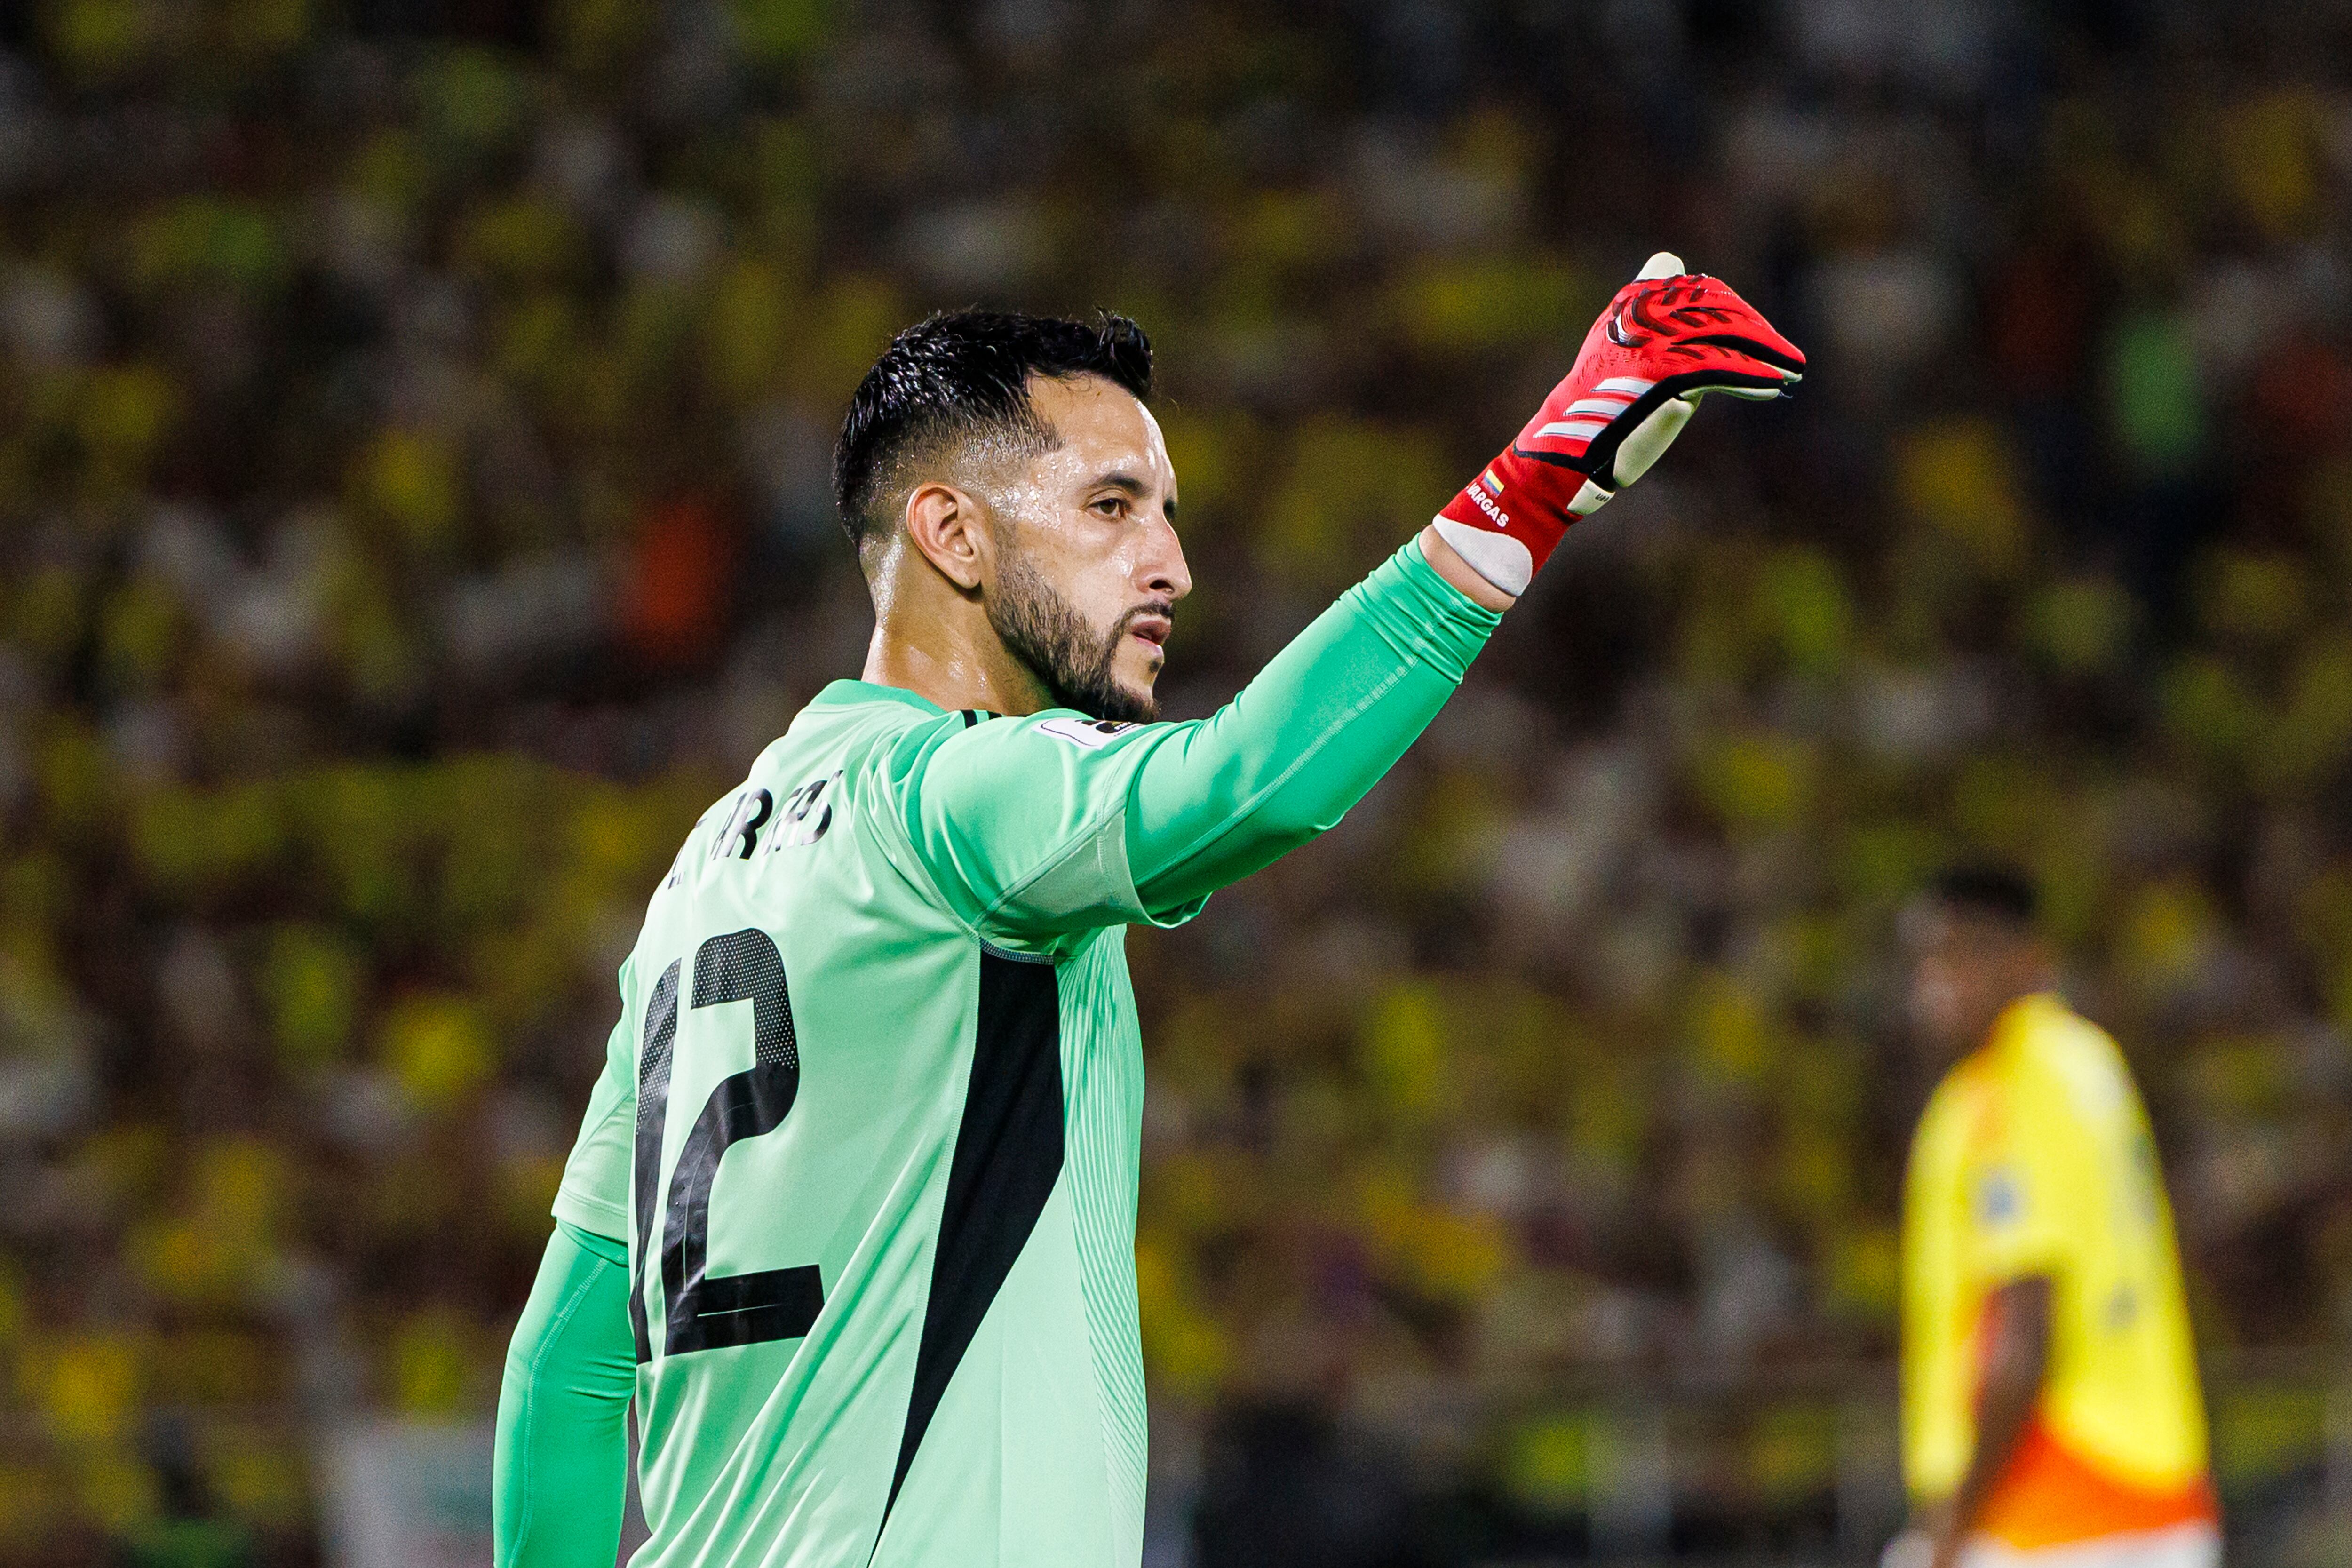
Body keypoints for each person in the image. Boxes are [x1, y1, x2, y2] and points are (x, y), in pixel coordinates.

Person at [490, 257, 1803, 1568]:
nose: (1170, 562)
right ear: (953, 534)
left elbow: (565, 1360)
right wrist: (1545, 470)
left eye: (1167, 513)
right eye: (1111, 505)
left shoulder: (700, 883)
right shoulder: (948, 797)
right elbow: (1247, 783)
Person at [1887, 868, 2220, 1568]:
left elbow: (2022, 1329)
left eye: (1962, 956)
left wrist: (1952, 1526)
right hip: (2149, 1481)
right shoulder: (2088, 1064)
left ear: (2029, 960)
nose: (1936, 984)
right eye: (1925, 960)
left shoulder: (2016, 1080)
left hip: (2056, 1496)